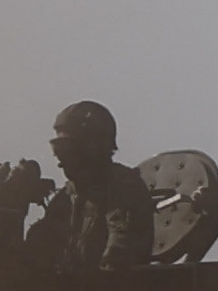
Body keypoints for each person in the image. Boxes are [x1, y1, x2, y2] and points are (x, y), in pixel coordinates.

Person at [26, 101, 157, 273]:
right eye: (57, 150)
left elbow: (119, 254)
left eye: (66, 149)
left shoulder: (123, 190)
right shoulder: (65, 198)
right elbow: (38, 257)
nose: (60, 160)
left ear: (91, 147)